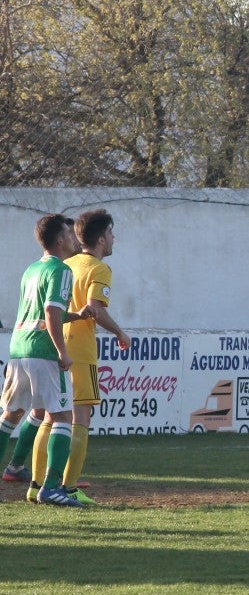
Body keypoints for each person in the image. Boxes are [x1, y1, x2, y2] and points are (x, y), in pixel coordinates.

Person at [0, 214, 97, 508]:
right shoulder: (61, 269)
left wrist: (76, 316)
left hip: (18, 349)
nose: (74, 238)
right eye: (69, 234)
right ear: (59, 240)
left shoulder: (31, 270)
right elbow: (51, 313)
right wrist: (62, 352)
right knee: (63, 417)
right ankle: (52, 487)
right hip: (43, 353)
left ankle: (24, 473)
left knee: (10, 416)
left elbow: (42, 313)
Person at [52, 209, 132, 506]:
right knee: (81, 418)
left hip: (56, 342)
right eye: (111, 233)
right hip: (80, 350)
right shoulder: (98, 269)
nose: (113, 239)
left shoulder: (67, 262)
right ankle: (69, 486)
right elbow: (95, 308)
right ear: (100, 238)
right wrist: (120, 333)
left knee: (54, 416)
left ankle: (41, 483)